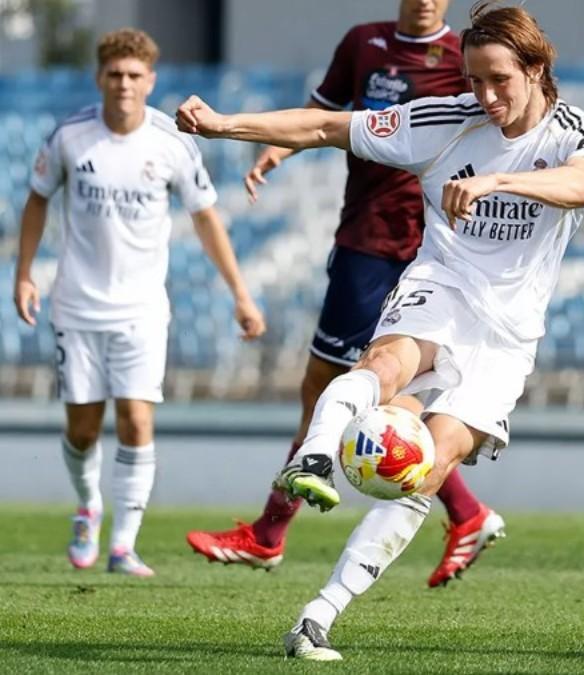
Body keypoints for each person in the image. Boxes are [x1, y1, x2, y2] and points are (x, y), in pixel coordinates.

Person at [176, 0, 584, 660]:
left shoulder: (581, 133)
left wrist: (500, 179)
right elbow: (325, 125)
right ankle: (317, 454)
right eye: (474, 80)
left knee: (429, 469)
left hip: (507, 335)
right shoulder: (440, 123)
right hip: (440, 288)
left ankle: (317, 615)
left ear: (536, 68)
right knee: (385, 366)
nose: (485, 95)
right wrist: (222, 126)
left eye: (499, 79)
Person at [184, 0, 506, 589]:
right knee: (335, 387)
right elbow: (324, 115)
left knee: (357, 387)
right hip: (364, 231)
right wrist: (277, 150)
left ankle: (270, 533)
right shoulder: (364, 43)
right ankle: (465, 514)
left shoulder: (469, 59)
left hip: (413, 248)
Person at [13, 28, 266, 577]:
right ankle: (88, 506)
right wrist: (25, 275)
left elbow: (206, 218)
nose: (124, 84)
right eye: (115, 75)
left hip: (142, 309)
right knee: (82, 428)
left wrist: (241, 295)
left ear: (150, 81)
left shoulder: (172, 142)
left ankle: (124, 545)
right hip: (76, 307)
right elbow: (37, 201)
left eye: (135, 76)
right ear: (100, 77)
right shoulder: (70, 137)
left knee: (135, 420)